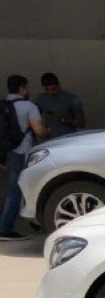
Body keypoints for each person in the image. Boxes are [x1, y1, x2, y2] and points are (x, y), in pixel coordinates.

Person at [1, 75, 49, 240]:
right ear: (22, 88)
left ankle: (33, 221)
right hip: (24, 152)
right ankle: (5, 228)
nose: (28, 90)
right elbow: (39, 131)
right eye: (27, 87)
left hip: (9, 152)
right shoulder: (29, 106)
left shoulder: (3, 105)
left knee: (18, 189)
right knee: (18, 189)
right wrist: (48, 131)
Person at [34, 72, 85, 138]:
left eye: (53, 89)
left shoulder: (71, 99)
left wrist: (64, 119)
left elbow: (82, 124)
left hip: (68, 138)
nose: (50, 93)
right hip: (49, 140)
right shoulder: (40, 99)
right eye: (47, 90)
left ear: (58, 85)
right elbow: (33, 118)